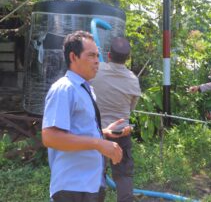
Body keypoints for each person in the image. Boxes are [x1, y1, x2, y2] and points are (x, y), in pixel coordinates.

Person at [42, 30, 124, 202]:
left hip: (91, 184)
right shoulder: (64, 89)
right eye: (91, 55)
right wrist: (98, 143)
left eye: (98, 55)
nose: (97, 61)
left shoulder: (85, 89)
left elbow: (77, 130)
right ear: (73, 57)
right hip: (72, 188)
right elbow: (50, 137)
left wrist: (103, 133)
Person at [91, 37, 141, 202]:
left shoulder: (95, 71)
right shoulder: (133, 80)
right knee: (123, 175)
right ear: (127, 58)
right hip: (122, 133)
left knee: (96, 174)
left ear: (109, 55)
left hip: (98, 133)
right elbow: (131, 108)